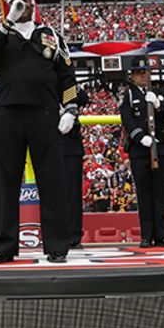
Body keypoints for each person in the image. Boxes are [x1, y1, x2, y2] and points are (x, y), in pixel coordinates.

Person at [0, 0, 79, 264]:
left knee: (52, 179)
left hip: (44, 113)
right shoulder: (3, 34)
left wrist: (70, 109)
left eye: (27, 2)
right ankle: (4, 246)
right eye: (17, 3)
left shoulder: (50, 35)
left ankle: (57, 245)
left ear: (35, 4)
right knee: (5, 181)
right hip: (7, 112)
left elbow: (67, 75)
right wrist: (6, 22)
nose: (23, 6)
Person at [121, 58, 164, 248]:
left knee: (161, 194)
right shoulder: (129, 95)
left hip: (160, 149)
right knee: (144, 195)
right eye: (138, 73)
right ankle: (146, 235)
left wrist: (158, 105)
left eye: (145, 72)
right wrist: (141, 138)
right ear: (132, 76)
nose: (142, 76)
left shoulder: (160, 93)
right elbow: (127, 119)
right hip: (140, 151)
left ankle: (162, 235)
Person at [62, 87, 90, 249]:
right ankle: (54, 235)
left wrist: (68, 82)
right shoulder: (45, 82)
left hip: (71, 144)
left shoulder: (68, 88)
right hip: (50, 142)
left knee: (73, 193)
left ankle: (73, 236)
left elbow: (83, 98)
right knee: (53, 194)